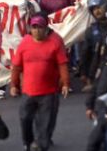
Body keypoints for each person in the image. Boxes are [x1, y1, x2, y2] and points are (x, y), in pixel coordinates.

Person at [10, 13, 70, 151]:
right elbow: (17, 66)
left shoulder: (55, 42)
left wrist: (65, 83)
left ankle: (41, 144)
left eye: (40, 28)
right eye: (34, 27)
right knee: (25, 118)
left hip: (48, 92)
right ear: (30, 29)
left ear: (46, 28)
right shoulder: (25, 42)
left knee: (45, 122)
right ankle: (28, 141)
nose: (37, 30)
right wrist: (14, 85)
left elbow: (62, 64)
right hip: (28, 91)